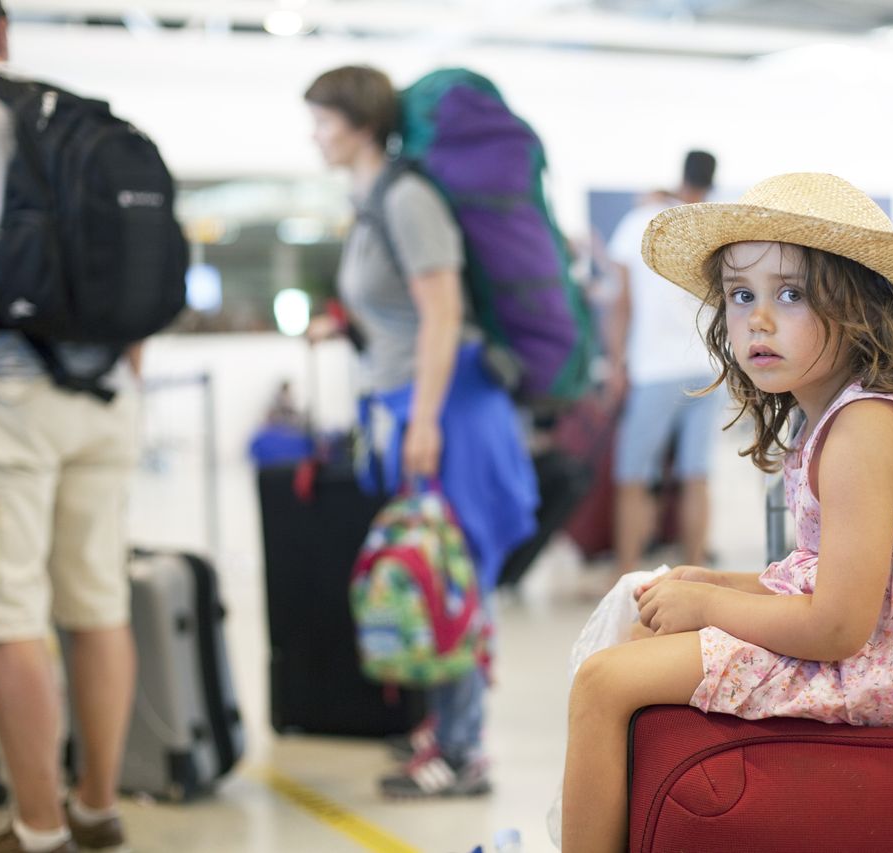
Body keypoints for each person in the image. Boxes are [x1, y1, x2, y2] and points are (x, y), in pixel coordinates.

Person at [561, 173, 893, 851]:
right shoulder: (847, 412)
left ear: (862, 307)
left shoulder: (864, 432)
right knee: (641, 634)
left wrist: (706, 606)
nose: (757, 318)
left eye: (791, 293)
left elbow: (838, 625)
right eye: (741, 294)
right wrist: (716, 582)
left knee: (603, 681)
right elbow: (836, 572)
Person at [0, 3, 141, 852]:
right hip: (105, 389)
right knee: (98, 602)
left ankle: (37, 829)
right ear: (2, 28)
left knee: (7, 613)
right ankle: (96, 806)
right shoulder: (67, 105)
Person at [304, 65, 537, 798]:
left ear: (363, 124)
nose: (314, 134)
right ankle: (446, 727)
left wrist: (427, 417)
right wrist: (344, 327)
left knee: (451, 575)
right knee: (435, 567)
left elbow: (442, 311)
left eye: (323, 119)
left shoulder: (405, 197)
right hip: (418, 405)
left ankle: (464, 752)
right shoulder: (373, 198)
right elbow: (402, 310)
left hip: (449, 409)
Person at [605, 151, 724, 578]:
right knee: (696, 474)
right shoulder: (710, 225)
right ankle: (695, 572)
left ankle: (627, 572)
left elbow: (621, 302)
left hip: (654, 369)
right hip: (709, 368)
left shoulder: (640, 222)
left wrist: (616, 362)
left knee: (634, 475)